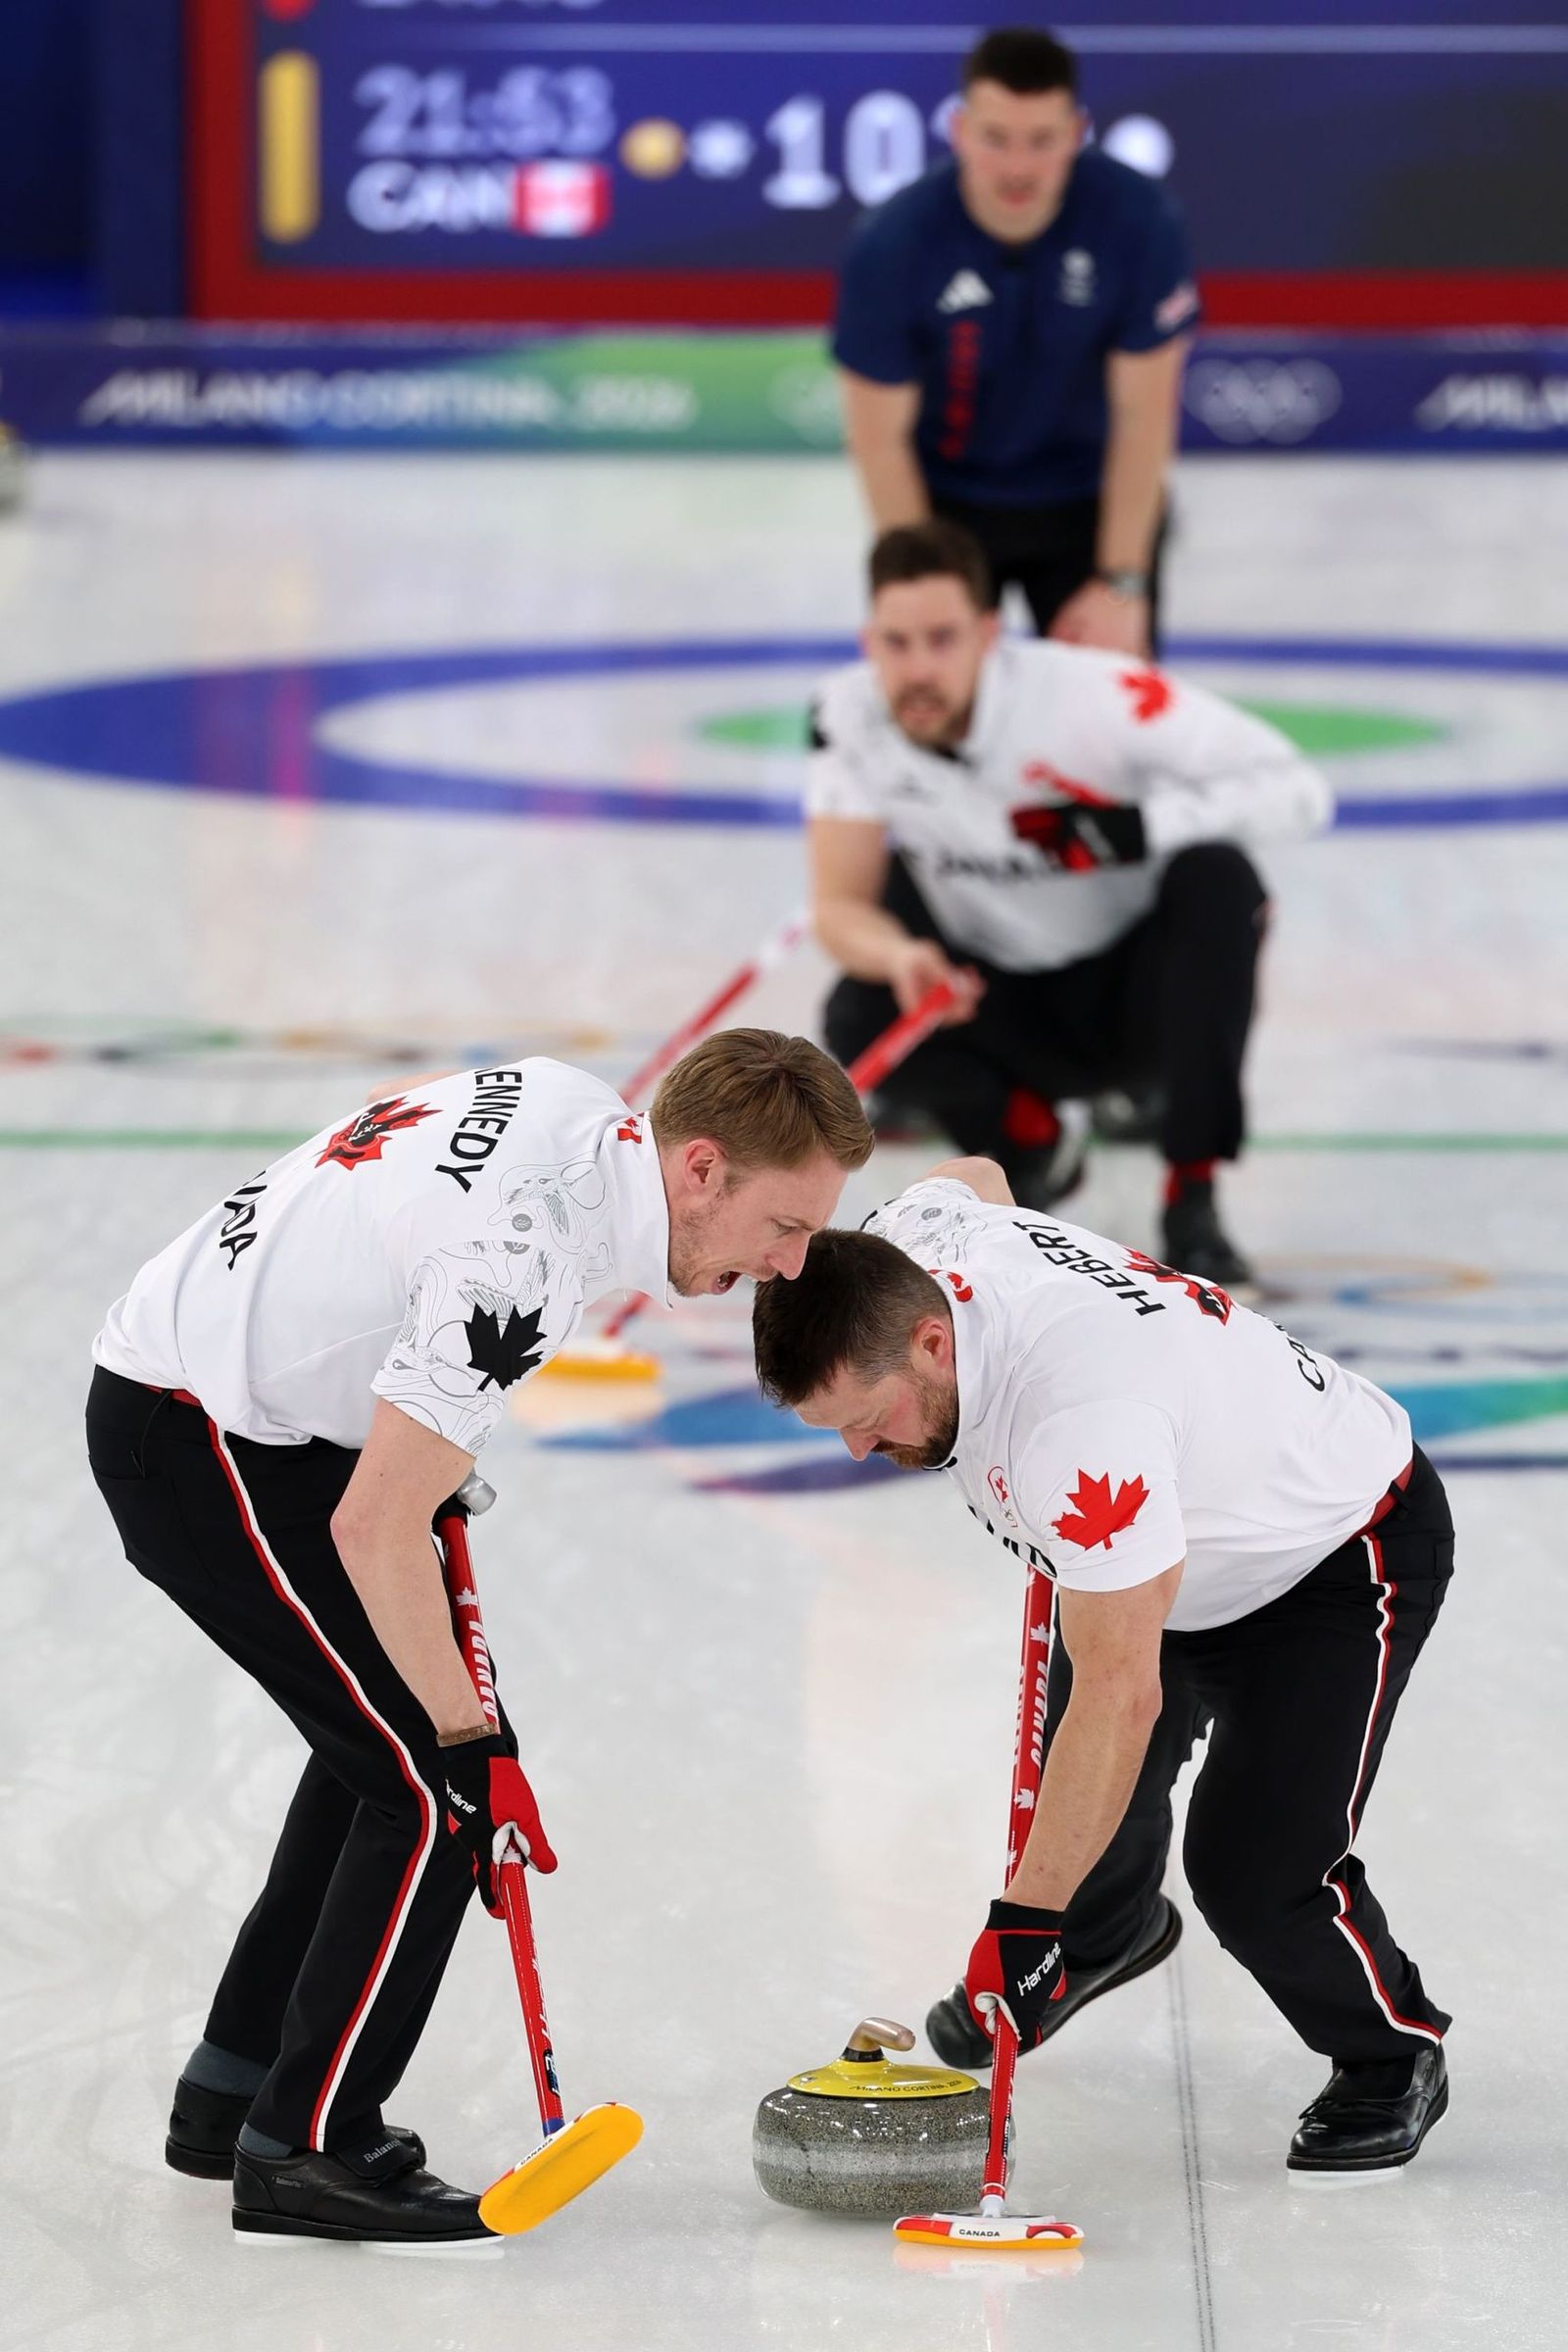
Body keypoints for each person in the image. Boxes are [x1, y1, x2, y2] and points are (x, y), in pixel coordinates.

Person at [86, 1032, 872, 2247]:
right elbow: (376, 1524)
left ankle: (233, 2087)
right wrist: (473, 1740)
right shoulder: (523, 1262)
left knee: (378, 1756)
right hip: (198, 1435)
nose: (791, 1264)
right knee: (436, 1792)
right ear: (701, 1168)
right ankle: (307, 2145)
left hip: (270, 1410)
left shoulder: (576, 1107)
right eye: (784, 1226)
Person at [753, 1166, 1453, 2175]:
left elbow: (1123, 1695)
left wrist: (1018, 1922)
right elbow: (975, 1177)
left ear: (932, 1341)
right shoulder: (916, 1243)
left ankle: (1391, 2054)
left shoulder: (1082, 1431)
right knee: (1081, 1804)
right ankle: (1101, 1934)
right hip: (1160, 1536)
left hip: (1327, 1557)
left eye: (867, 1417)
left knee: (1255, 1871)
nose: (861, 1449)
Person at [809, 518, 1333, 1288]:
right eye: (897, 643)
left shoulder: (1095, 697)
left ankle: (1193, 1195)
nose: (918, 668)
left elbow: (1301, 792)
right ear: (868, 641)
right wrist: (902, 957)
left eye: (943, 639)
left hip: (1137, 999)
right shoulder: (846, 717)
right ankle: (1036, 1141)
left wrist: (1137, 827)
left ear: (990, 634)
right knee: (856, 1011)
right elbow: (838, 908)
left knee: (1220, 880)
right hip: (990, 998)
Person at [833, 24, 1200, 657]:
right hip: (948, 505)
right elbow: (877, 438)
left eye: (1041, 140)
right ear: (960, 131)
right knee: (940, 716)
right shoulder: (891, 245)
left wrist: (1121, 582)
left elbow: (1144, 415)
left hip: (1091, 500)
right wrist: (928, 597)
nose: (1018, 166)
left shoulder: (1140, 224)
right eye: (996, 138)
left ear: (1077, 134)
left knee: (1109, 725)